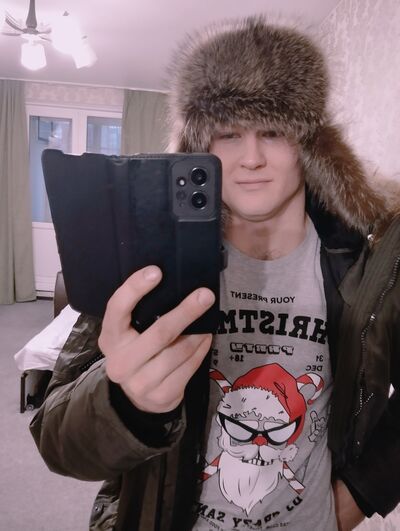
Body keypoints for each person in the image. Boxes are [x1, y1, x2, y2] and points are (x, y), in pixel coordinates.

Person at [30, 16, 400, 531]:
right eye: (228, 133)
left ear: (312, 143)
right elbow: (57, 440)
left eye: (273, 131)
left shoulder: (372, 255)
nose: (251, 158)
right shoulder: (150, 253)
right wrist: (127, 403)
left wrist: (358, 494)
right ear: (199, 146)